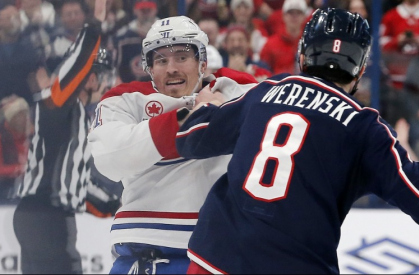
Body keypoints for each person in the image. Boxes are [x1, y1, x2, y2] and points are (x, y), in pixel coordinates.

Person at [175, 8, 419, 274]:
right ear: (360, 69)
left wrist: (207, 105)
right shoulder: (365, 127)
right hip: (297, 264)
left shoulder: (266, 92)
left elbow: (189, 139)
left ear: (303, 55)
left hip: (218, 257)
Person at [87, 15, 257, 274]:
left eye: (181, 57)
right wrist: (190, 118)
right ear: (150, 68)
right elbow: (109, 158)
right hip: (143, 257)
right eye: (161, 60)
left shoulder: (237, 90)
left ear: (202, 62)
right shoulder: (125, 99)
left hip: (217, 256)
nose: (171, 68)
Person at [12, 0, 118, 273]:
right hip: (45, 215)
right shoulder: (57, 103)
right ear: (92, 79)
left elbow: (80, 187)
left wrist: (122, 205)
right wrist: (94, 26)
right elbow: (79, 63)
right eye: (104, 77)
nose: (108, 84)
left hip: (45, 215)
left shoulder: (79, 119)